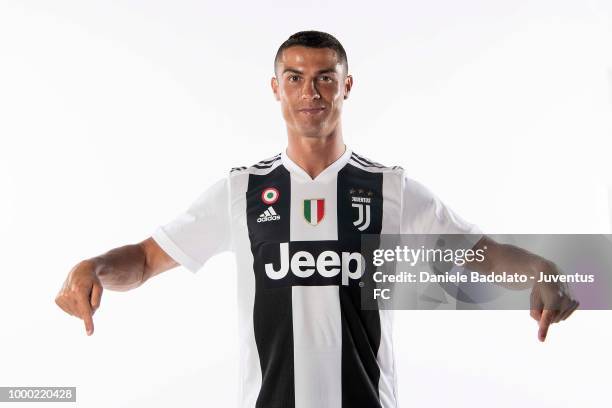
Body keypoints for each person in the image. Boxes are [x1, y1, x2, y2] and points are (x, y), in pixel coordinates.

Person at [55, 30, 579, 408]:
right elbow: (146, 260)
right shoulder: (242, 191)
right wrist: (95, 267)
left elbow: (478, 252)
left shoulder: (388, 188)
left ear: (346, 87)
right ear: (275, 88)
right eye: (296, 78)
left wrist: (540, 270)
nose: (311, 92)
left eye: (325, 78)